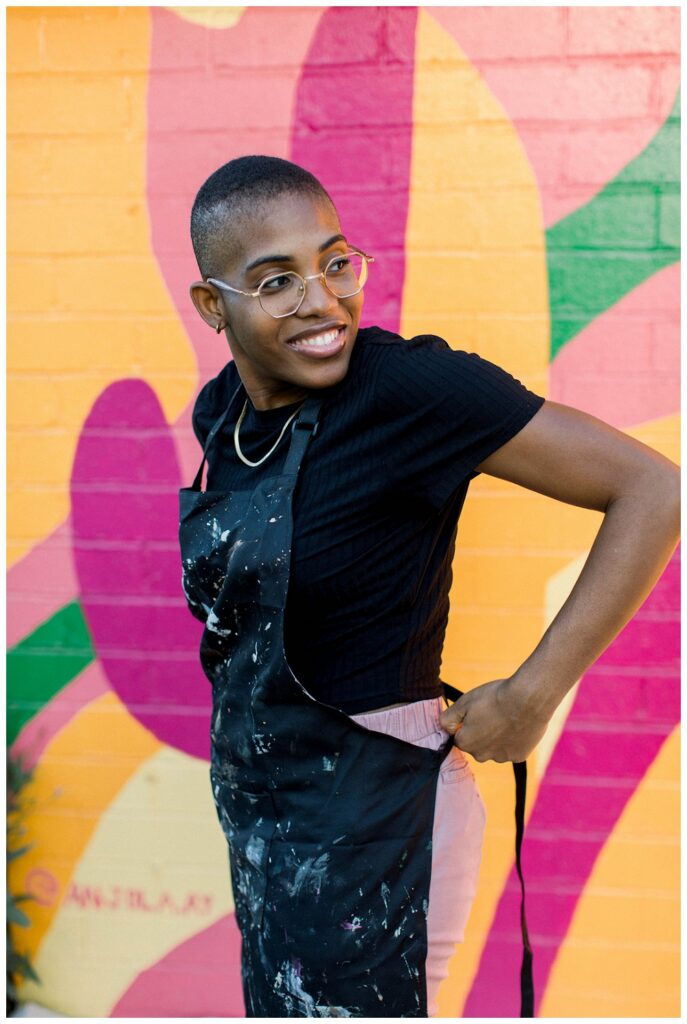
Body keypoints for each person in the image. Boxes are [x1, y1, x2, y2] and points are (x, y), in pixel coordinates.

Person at [179, 155, 680, 1018]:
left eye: (335, 263)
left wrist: (533, 693)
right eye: (276, 281)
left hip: (384, 828)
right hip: (267, 827)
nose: (321, 300)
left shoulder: (407, 390)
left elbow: (654, 489)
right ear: (212, 305)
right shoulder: (221, 413)